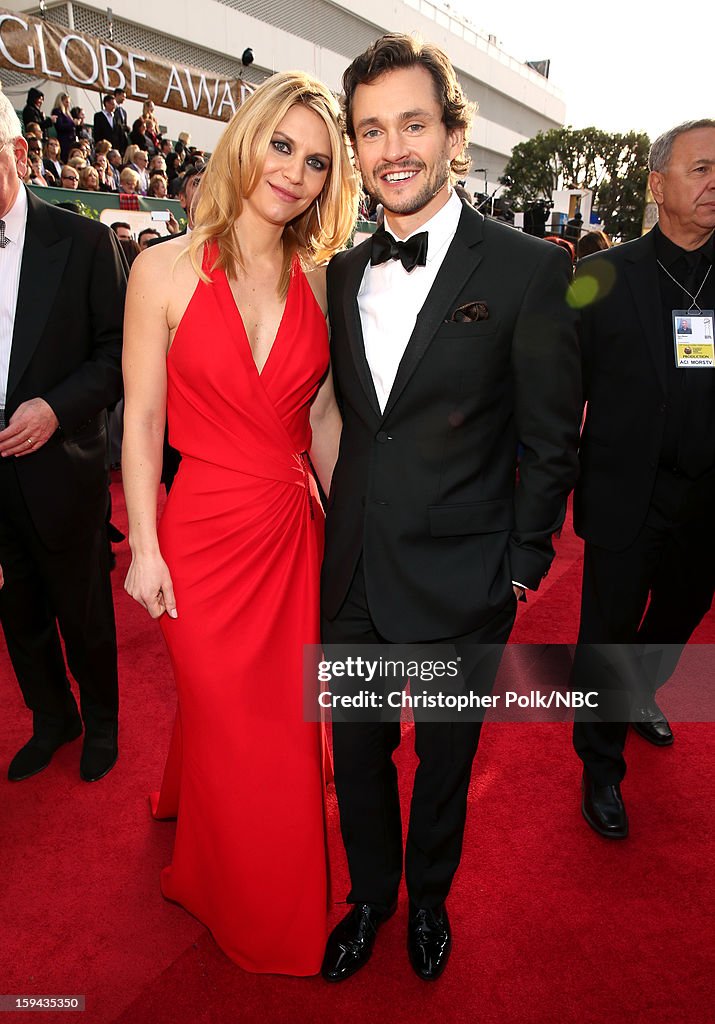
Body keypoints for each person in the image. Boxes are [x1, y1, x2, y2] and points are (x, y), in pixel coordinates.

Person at [319, 34, 581, 983]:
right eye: (372, 129)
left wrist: (521, 563)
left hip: (463, 576)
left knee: (441, 765)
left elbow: (552, 435)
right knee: (355, 756)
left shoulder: (524, 268)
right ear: (355, 145)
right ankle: (369, 899)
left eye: (413, 124)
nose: (393, 147)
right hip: (349, 566)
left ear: (452, 134)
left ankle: (427, 899)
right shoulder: (343, 273)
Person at [121, 69, 358, 974]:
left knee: (284, 727)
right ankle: (247, 903)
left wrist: (353, 534)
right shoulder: (163, 269)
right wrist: (143, 546)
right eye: (282, 144)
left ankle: (255, 887)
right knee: (233, 724)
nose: (293, 171)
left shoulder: (321, 281)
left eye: (316, 160)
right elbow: (141, 421)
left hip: (291, 532)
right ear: (248, 139)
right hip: (202, 533)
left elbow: (325, 418)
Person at [571, 119, 715, 839]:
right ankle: (599, 765)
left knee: (676, 622)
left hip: (707, 499)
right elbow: (560, 385)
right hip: (627, 493)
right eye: (701, 168)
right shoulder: (604, 275)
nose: (714, 181)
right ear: (657, 185)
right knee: (606, 632)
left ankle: (638, 694)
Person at [0, 90, 126, 784]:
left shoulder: (83, 242)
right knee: (16, 614)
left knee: (83, 611)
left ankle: (102, 722)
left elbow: (116, 357)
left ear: (18, 154)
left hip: (61, 467)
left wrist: (53, 407)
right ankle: (55, 719)